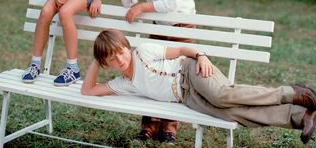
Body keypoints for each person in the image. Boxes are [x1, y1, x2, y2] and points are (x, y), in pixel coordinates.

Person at [81, 28, 316, 145]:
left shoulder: (143, 52)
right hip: (186, 98)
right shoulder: (123, 84)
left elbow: (183, 50)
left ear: (127, 47)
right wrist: (96, 58)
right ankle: (299, 116)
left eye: (120, 52)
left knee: (223, 96)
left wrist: (201, 56)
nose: (120, 60)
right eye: (111, 59)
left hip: (190, 72)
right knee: (232, 113)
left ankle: (294, 93)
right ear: (105, 63)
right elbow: (88, 90)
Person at [121, 0, 196, 144]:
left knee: (175, 73)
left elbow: (172, 3)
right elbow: (127, 0)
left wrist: (143, 6)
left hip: (181, 26)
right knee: (150, 71)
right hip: (160, 26)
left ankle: (169, 126)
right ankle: (149, 125)